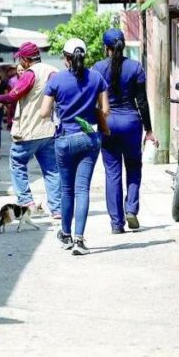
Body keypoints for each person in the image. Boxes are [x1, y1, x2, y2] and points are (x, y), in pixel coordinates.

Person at [40, 38, 110, 255]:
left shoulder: (56, 80)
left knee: (66, 189)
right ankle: (79, 240)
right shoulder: (96, 78)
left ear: (66, 58)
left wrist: (60, 113)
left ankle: (66, 234)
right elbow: (105, 110)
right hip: (89, 138)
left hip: (64, 140)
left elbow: (43, 113)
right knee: (82, 190)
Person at [0, 43, 62, 217]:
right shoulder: (53, 71)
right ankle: (57, 209)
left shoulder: (30, 74)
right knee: (52, 170)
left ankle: (27, 202)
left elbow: (13, 96)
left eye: (21, 59)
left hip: (29, 130)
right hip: (49, 130)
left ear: (26, 60)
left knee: (17, 163)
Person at [92, 28, 157, 234]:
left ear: (106, 47)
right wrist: (149, 129)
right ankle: (131, 209)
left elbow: (92, 100)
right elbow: (142, 102)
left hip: (108, 123)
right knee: (134, 167)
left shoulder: (97, 69)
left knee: (112, 173)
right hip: (131, 122)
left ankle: (116, 224)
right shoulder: (136, 68)